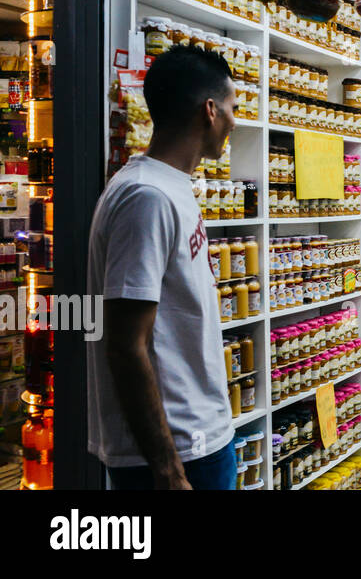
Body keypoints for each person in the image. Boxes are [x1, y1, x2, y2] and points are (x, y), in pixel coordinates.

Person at [87, 45, 238, 489]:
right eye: (232, 108)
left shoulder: (170, 187)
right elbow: (125, 344)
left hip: (200, 439)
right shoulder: (146, 197)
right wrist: (169, 469)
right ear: (209, 111)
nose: (235, 120)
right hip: (177, 454)